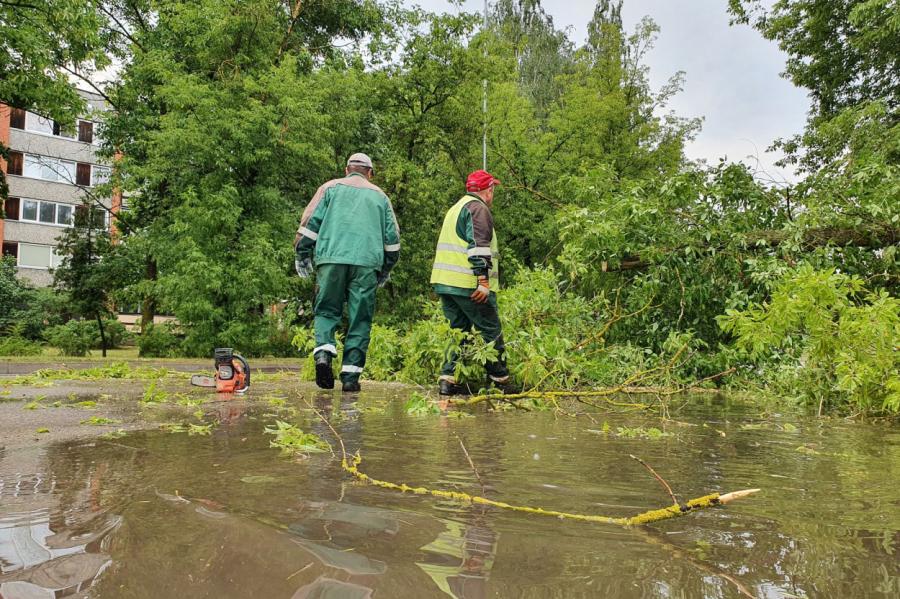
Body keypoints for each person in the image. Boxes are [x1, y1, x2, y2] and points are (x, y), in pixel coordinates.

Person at [294, 153, 400, 392]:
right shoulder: (380, 197)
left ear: (346, 170)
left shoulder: (330, 189)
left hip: (331, 259)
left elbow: (310, 223)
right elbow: (393, 240)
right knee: (360, 318)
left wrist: (302, 254)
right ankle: (351, 378)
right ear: (370, 173)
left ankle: (323, 354)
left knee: (326, 309)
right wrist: (386, 268)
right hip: (366, 264)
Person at [430, 169, 510, 396]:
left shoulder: (456, 207)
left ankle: (447, 378)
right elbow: (479, 246)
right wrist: (483, 281)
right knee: (490, 330)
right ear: (489, 190)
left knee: (459, 332)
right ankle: (500, 380)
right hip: (469, 285)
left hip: (446, 283)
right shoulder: (478, 209)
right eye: (493, 189)